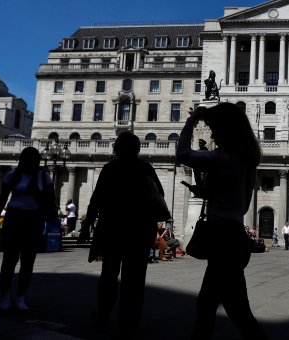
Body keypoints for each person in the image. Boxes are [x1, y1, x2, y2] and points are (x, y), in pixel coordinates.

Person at [177, 102, 267, 339]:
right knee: (216, 306)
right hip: (235, 235)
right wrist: (207, 193)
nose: (213, 134)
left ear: (227, 130)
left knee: (232, 311)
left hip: (224, 237)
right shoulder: (246, 161)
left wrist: (191, 121)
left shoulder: (223, 158)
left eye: (215, 128)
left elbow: (182, 154)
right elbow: (241, 204)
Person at [82, 131, 163, 337]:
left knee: (109, 274)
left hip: (114, 228)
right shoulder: (145, 168)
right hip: (140, 229)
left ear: (117, 148)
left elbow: (96, 199)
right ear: (137, 149)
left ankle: (104, 312)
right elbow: (159, 195)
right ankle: (129, 321)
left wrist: (86, 225)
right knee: (135, 279)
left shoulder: (111, 168)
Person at [0, 146, 57, 312]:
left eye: (34, 159)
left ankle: (21, 297)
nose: (32, 162)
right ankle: (5, 295)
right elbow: (3, 198)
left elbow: (50, 202)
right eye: (29, 159)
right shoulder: (13, 175)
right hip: (14, 217)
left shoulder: (44, 177)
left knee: (28, 261)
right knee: (9, 259)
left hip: (33, 219)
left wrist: (36, 192)